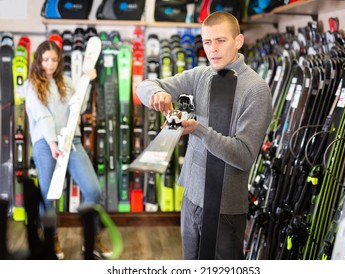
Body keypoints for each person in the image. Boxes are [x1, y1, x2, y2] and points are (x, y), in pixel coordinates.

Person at [136, 11, 272, 259]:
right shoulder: (201, 75)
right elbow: (144, 85)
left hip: (225, 209)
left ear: (238, 41)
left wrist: (197, 129)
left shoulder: (256, 89)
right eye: (207, 42)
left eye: (221, 41)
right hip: (192, 199)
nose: (213, 50)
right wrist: (156, 94)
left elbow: (243, 155)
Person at [24, 40, 112, 260]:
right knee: (49, 196)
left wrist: (88, 82)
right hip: (46, 144)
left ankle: (91, 239)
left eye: (54, 59)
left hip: (72, 141)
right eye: (45, 59)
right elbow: (42, 115)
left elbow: (79, 106)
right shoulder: (32, 84)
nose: (50, 64)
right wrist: (53, 144)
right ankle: (50, 238)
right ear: (38, 60)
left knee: (93, 190)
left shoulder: (66, 82)